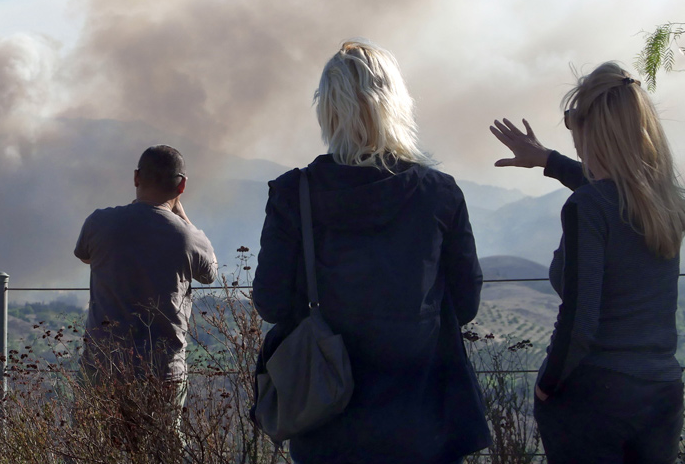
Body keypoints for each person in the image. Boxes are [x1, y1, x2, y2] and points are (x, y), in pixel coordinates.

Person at [252, 39, 490, 464]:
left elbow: (270, 302)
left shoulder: (294, 193)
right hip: (422, 419)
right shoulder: (439, 194)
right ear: (395, 105)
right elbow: (466, 303)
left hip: (325, 417)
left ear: (328, 110)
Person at [490, 62, 685, 464]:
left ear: (594, 131)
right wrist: (549, 160)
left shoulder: (588, 208)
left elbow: (580, 319)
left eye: (573, 121)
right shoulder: (669, 203)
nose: (572, 135)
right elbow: (619, 195)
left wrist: (547, 383)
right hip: (663, 394)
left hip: (595, 399)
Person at [74, 145, 219, 415]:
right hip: (163, 371)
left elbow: (86, 257)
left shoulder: (99, 223)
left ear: (136, 178)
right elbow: (209, 273)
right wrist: (181, 216)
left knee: (90, 449)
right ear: (182, 186)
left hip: (102, 365)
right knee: (161, 452)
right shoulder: (188, 237)